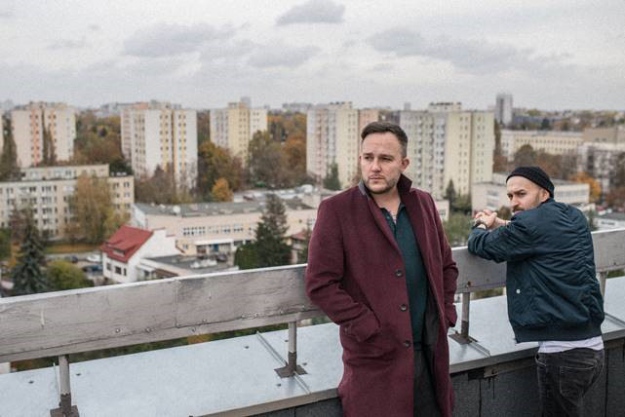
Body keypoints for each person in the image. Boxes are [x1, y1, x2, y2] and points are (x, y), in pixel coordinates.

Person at [305, 121, 458, 417]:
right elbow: (320, 284)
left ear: (403, 163)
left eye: (385, 159)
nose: (374, 167)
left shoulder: (423, 203)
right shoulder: (336, 210)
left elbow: (446, 266)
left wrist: (447, 312)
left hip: (429, 356)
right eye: (368, 157)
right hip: (374, 361)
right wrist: (366, 326)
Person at [467, 166, 604, 417]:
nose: (513, 202)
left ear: (544, 193)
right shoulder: (573, 215)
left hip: (562, 355)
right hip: (592, 346)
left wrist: (480, 225)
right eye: (510, 196)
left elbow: (482, 245)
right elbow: (533, 231)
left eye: (521, 194)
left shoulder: (530, 226)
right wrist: (501, 223)